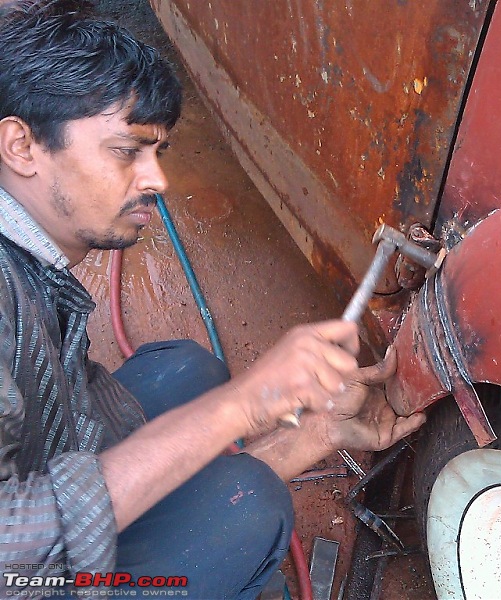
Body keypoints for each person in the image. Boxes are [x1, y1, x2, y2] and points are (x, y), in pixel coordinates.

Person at [0, 1, 426, 597]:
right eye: (127, 151)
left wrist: (313, 435)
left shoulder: (29, 259)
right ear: (21, 146)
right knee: (250, 510)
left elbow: (69, 415)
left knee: (185, 369)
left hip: (38, 459)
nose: (157, 180)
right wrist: (244, 404)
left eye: (157, 151)